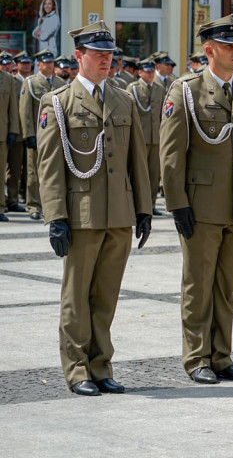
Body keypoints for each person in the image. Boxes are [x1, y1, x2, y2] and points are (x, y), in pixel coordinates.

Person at [37, 21, 152, 395]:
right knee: (76, 297)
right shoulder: (57, 102)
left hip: (118, 213)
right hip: (82, 215)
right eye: (98, 54)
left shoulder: (123, 98)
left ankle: (101, 365)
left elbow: (138, 160)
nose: (106, 60)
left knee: (105, 297)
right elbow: (50, 166)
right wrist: (56, 217)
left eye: (109, 54)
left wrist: (143, 209)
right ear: (79, 56)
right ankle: (77, 370)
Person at [160, 14, 233, 384]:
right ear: (209, 50)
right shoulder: (186, 90)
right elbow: (172, 154)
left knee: (227, 287)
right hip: (202, 205)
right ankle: (196, 358)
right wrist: (177, 204)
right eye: (229, 46)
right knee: (198, 285)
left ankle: (221, 355)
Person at [20, 49, 65, 220]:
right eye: (45, 63)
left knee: (55, 171)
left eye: (51, 63)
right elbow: (25, 111)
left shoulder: (60, 82)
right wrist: (28, 134)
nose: (49, 66)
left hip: (57, 135)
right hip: (38, 134)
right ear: (38, 65)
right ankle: (33, 205)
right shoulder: (31, 83)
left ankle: (52, 205)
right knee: (34, 172)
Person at [126, 56, 166, 215]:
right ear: (140, 72)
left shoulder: (159, 88)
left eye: (152, 72)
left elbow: (162, 112)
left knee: (154, 174)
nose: (150, 75)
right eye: (147, 72)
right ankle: (137, 205)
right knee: (139, 173)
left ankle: (151, 204)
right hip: (140, 138)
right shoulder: (133, 88)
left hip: (155, 137)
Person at [6, 53, 31, 214]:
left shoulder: (29, 81)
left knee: (18, 169)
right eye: (23, 63)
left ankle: (13, 199)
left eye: (28, 63)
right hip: (9, 129)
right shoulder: (12, 81)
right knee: (7, 169)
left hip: (22, 131)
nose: (26, 66)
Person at [0, 54, 18, 222]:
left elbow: (13, 107)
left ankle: (0, 207)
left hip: (2, 133)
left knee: (0, 173)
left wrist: (13, 130)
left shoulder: (8, 79)